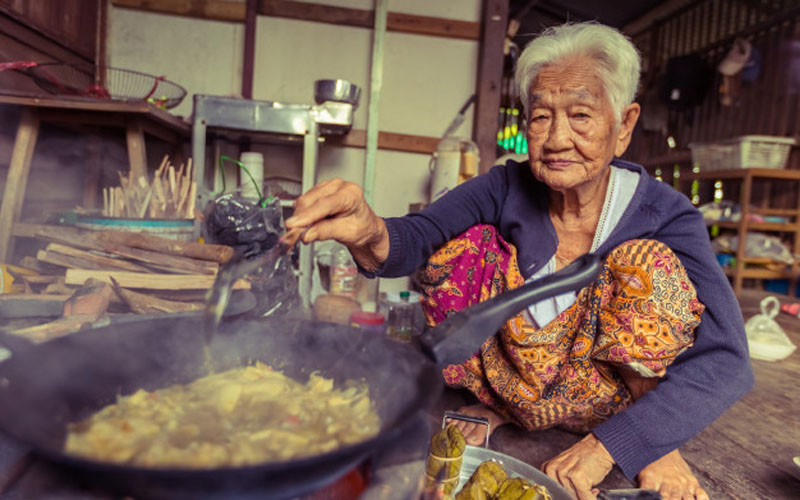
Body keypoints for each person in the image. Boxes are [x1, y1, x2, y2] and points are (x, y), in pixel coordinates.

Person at [286, 22, 753, 500]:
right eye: (541, 116)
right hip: (513, 387)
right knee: (464, 247)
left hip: (610, 409)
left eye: (581, 115)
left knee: (644, 264)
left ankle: (651, 441)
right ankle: (509, 408)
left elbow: (727, 359)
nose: (555, 139)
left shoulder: (665, 214)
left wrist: (621, 444)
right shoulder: (504, 186)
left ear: (624, 125)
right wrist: (369, 229)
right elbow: (417, 238)